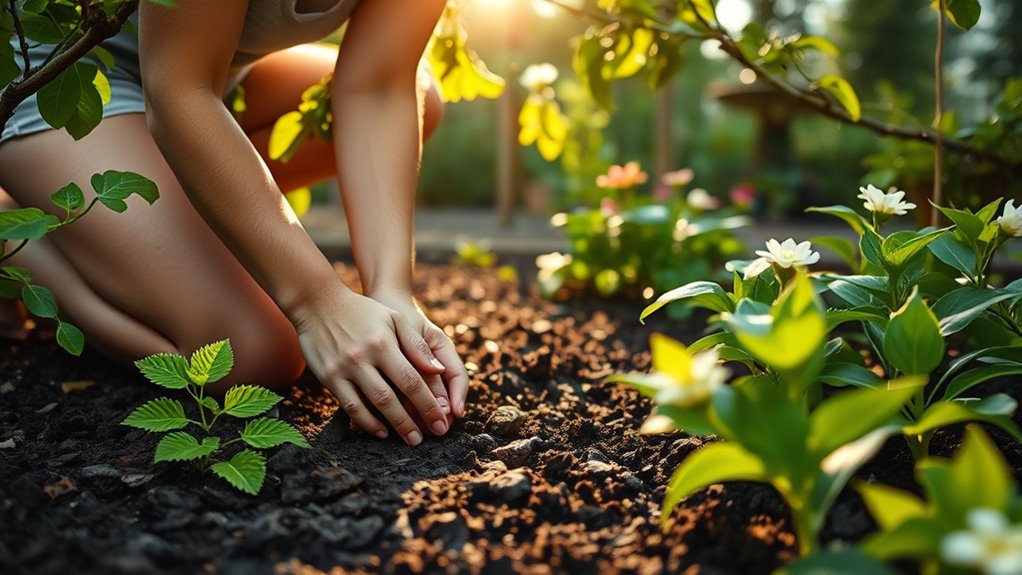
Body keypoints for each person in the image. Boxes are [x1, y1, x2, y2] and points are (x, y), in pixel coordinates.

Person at [0, 0, 468, 447]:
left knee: (423, 95)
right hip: (64, 81)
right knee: (252, 354)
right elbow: (178, 89)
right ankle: (19, 234)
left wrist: (390, 289)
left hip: (210, 83)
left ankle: (150, 207)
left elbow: (378, 84)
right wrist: (318, 301)